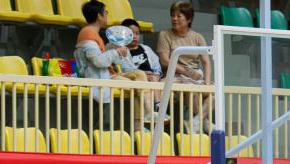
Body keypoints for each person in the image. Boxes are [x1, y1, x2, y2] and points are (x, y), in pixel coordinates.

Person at [74, 1, 149, 109]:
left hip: (111, 74)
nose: (107, 15)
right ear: (99, 16)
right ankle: (147, 113)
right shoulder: (88, 33)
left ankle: (147, 112)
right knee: (136, 87)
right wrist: (117, 51)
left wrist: (115, 50)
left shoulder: (92, 33)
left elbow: (107, 59)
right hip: (103, 77)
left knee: (139, 74)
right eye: (105, 12)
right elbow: (99, 61)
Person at [157, 0, 211, 132]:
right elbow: (165, 60)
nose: (174, 19)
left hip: (196, 76)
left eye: (179, 16)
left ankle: (196, 121)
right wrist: (186, 72)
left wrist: (207, 83)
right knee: (192, 91)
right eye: (172, 15)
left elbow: (206, 62)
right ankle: (202, 120)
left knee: (214, 93)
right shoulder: (165, 35)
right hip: (176, 76)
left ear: (189, 19)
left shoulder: (197, 37)